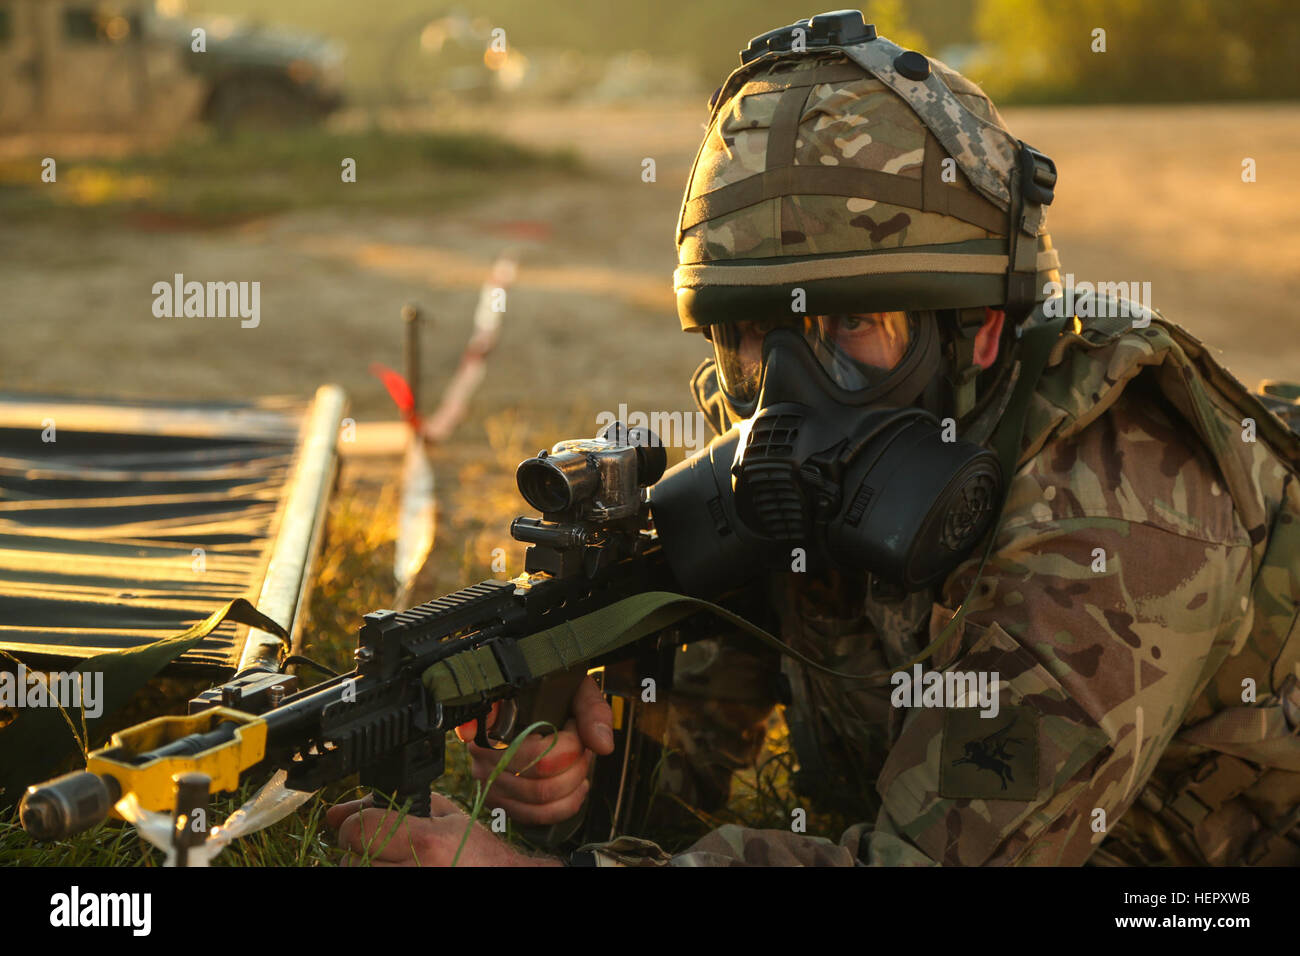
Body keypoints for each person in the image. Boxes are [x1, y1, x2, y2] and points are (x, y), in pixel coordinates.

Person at [329, 12, 1300, 867]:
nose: (790, 396)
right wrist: (575, 761)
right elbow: (685, 771)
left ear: (981, 329)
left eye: (853, 327)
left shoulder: (1120, 486)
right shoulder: (787, 458)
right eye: (753, 336)